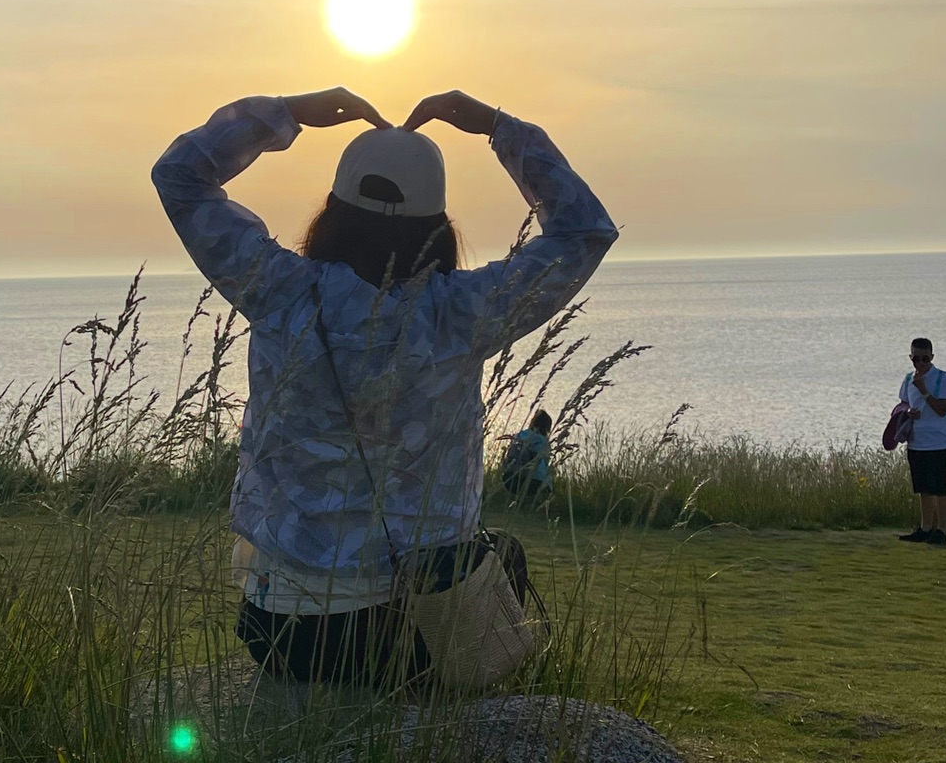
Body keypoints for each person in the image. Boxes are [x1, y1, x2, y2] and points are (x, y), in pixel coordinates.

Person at [152, 85, 618, 691]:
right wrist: (497, 127)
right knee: (502, 556)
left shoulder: (278, 288)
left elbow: (181, 176)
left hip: (282, 633)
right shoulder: (460, 313)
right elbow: (584, 230)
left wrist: (287, 113)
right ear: (438, 227)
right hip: (411, 635)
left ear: (332, 214)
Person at [897, 337, 946, 547]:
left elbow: (942, 410)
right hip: (916, 441)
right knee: (923, 488)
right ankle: (925, 528)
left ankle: (941, 531)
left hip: (938, 442)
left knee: (940, 488)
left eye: (925, 359)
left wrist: (923, 390)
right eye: (916, 359)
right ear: (910, 357)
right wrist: (908, 412)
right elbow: (902, 404)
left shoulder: (943, 379)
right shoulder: (907, 380)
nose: (920, 363)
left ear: (932, 357)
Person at [500, 409, 554, 509]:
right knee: (547, 475)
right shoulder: (544, 442)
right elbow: (546, 464)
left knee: (524, 474)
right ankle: (540, 506)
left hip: (510, 479)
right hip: (534, 483)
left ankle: (519, 502)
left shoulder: (519, 435)